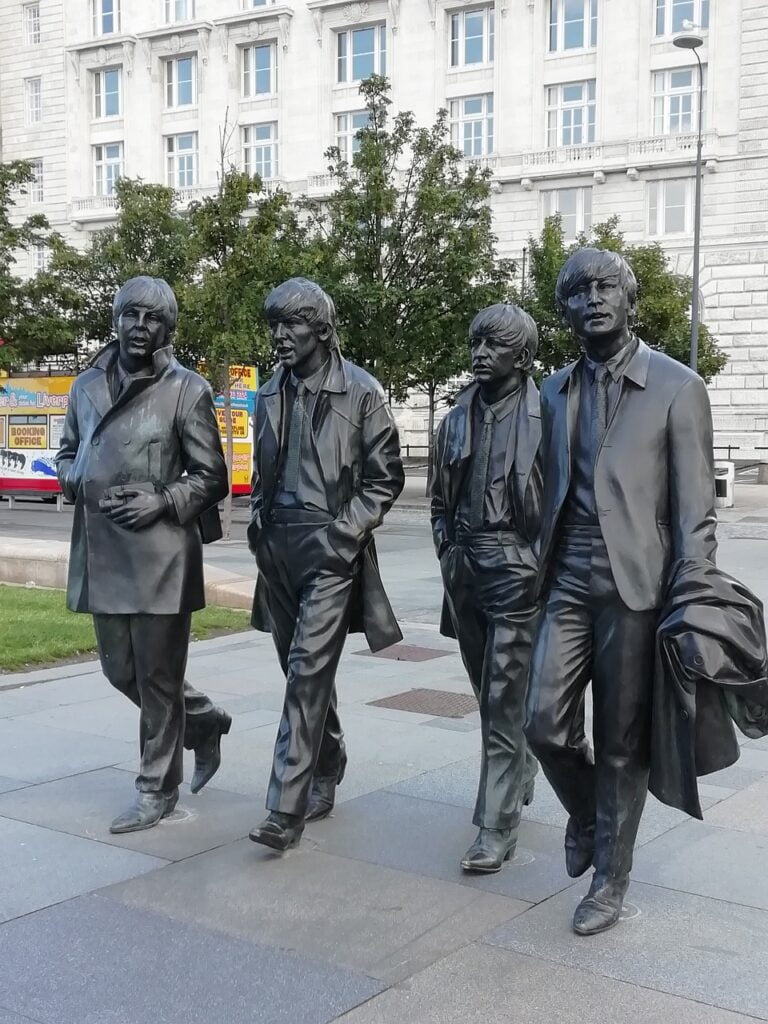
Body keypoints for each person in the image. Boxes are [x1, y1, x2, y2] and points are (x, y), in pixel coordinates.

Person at [524, 248, 717, 935]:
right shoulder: (551, 390)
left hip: (640, 584)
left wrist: (692, 595)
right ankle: (585, 814)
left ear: (630, 300)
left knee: (620, 741)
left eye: (607, 287)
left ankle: (610, 873)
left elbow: (696, 510)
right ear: (566, 310)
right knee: (541, 722)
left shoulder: (676, 385)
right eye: (578, 291)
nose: (594, 299)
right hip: (569, 577)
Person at [56, 276, 231, 834]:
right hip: (104, 550)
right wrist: (74, 475)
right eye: (131, 314)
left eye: (153, 318)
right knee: (118, 670)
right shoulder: (84, 387)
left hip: (162, 555)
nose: (140, 327)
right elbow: (65, 453)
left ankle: (156, 788)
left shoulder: (187, 389)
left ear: (167, 330)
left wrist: (162, 498)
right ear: (115, 319)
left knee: (157, 678)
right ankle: (202, 721)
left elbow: (212, 476)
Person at [248, 277, 404, 852]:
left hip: (331, 549)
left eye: (291, 325)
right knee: (301, 670)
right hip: (278, 552)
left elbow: (386, 478)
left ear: (320, 327)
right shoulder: (267, 393)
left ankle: (283, 809)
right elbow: (263, 471)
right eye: (275, 326)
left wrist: (344, 534)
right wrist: (259, 527)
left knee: (308, 673)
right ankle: (328, 757)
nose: (280, 337)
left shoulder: (361, 391)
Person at [431, 303, 542, 873]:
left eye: (493, 346)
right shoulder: (454, 419)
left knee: (502, 696)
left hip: (519, 570)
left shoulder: (549, 416)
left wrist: (535, 561)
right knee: (487, 693)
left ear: (521, 357)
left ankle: (495, 825)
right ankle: (519, 763)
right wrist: (448, 554)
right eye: (475, 344)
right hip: (466, 570)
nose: (479, 355)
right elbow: (437, 502)